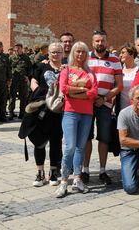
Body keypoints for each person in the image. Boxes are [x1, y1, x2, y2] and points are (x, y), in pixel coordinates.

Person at [55, 41, 98, 198]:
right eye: (78, 51)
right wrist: (82, 89)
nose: (80, 54)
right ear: (73, 53)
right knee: (70, 147)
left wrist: (76, 93)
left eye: (83, 52)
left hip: (86, 113)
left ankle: (77, 178)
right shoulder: (67, 70)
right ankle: (64, 181)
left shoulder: (90, 73)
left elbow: (94, 93)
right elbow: (64, 89)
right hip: (70, 112)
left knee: (81, 147)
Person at [82, 30, 123, 186]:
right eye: (97, 41)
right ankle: (85, 170)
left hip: (105, 104)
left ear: (107, 42)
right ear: (92, 43)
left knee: (104, 138)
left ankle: (102, 170)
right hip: (86, 103)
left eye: (103, 41)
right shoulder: (85, 58)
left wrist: (104, 98)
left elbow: (119, 86)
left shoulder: (115, 60)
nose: (100, 43)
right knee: (86, 137)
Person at [29, 42, 66, 187]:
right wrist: (42, 95)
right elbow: (33, 82)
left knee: (56, 141)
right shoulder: (41, 66)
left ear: (63, 54)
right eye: (53, 52)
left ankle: (53, 172)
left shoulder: (66, 69)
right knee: (39, 141)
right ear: (48, 54)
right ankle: (40, 172)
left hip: (58, 111)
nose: (55, 55)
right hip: (42, 109)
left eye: (58, 52)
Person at [9, 43, 32, 119]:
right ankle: (11, 113)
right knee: (12, 96)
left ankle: (22, 113)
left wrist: (27, 76)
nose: (16, 50)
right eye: (15, 48)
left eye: (18, 48)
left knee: (23, 97)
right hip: (14, 80)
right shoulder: (11, 58)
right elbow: (8, 68)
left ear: (21, 48)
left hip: (23, 80)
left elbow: (30, 68)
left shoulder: (26, 58)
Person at [118, 43, 139, 113]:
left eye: (123, 53)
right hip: (122, 110)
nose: (120, 55)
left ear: (131, 54)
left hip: (138, 109)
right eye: (120, 53)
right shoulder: (118, 70)